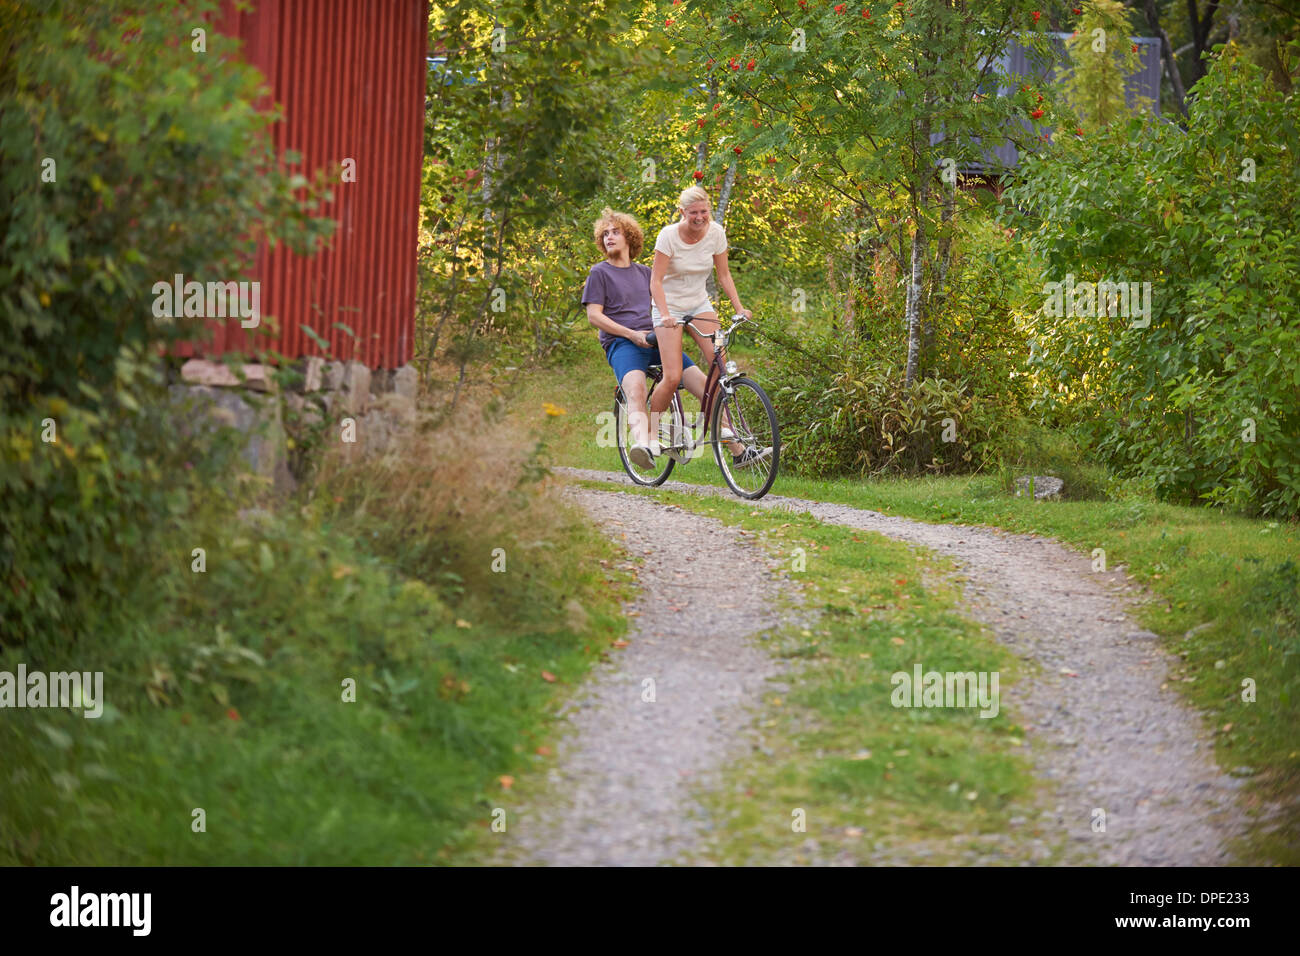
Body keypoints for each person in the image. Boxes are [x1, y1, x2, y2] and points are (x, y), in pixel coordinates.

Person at [649, 185, 769, 469]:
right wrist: (665, 314)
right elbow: (655, 281)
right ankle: (650, 433)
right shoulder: (668, 236)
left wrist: (739, 307)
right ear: (682, 212)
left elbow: (724, 274)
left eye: (704, 211)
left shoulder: (716, 233)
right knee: (673, 373)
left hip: (699, 303)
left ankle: (733, 444)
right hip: (669, 308)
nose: (700, 217)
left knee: (720, 366)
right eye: (694, 213)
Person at [582, 207, 710, 469]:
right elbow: (594, 316)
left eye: (615, 232)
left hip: (656, 339)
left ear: (629, 237)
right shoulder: (599, 273)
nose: (609, 237)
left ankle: (740, 449)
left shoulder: (646, 274)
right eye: (605, 234)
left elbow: (669, 304)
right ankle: (643, 444)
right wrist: (631, 334)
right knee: (636, 388)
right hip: (622, 343)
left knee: (706, 386)